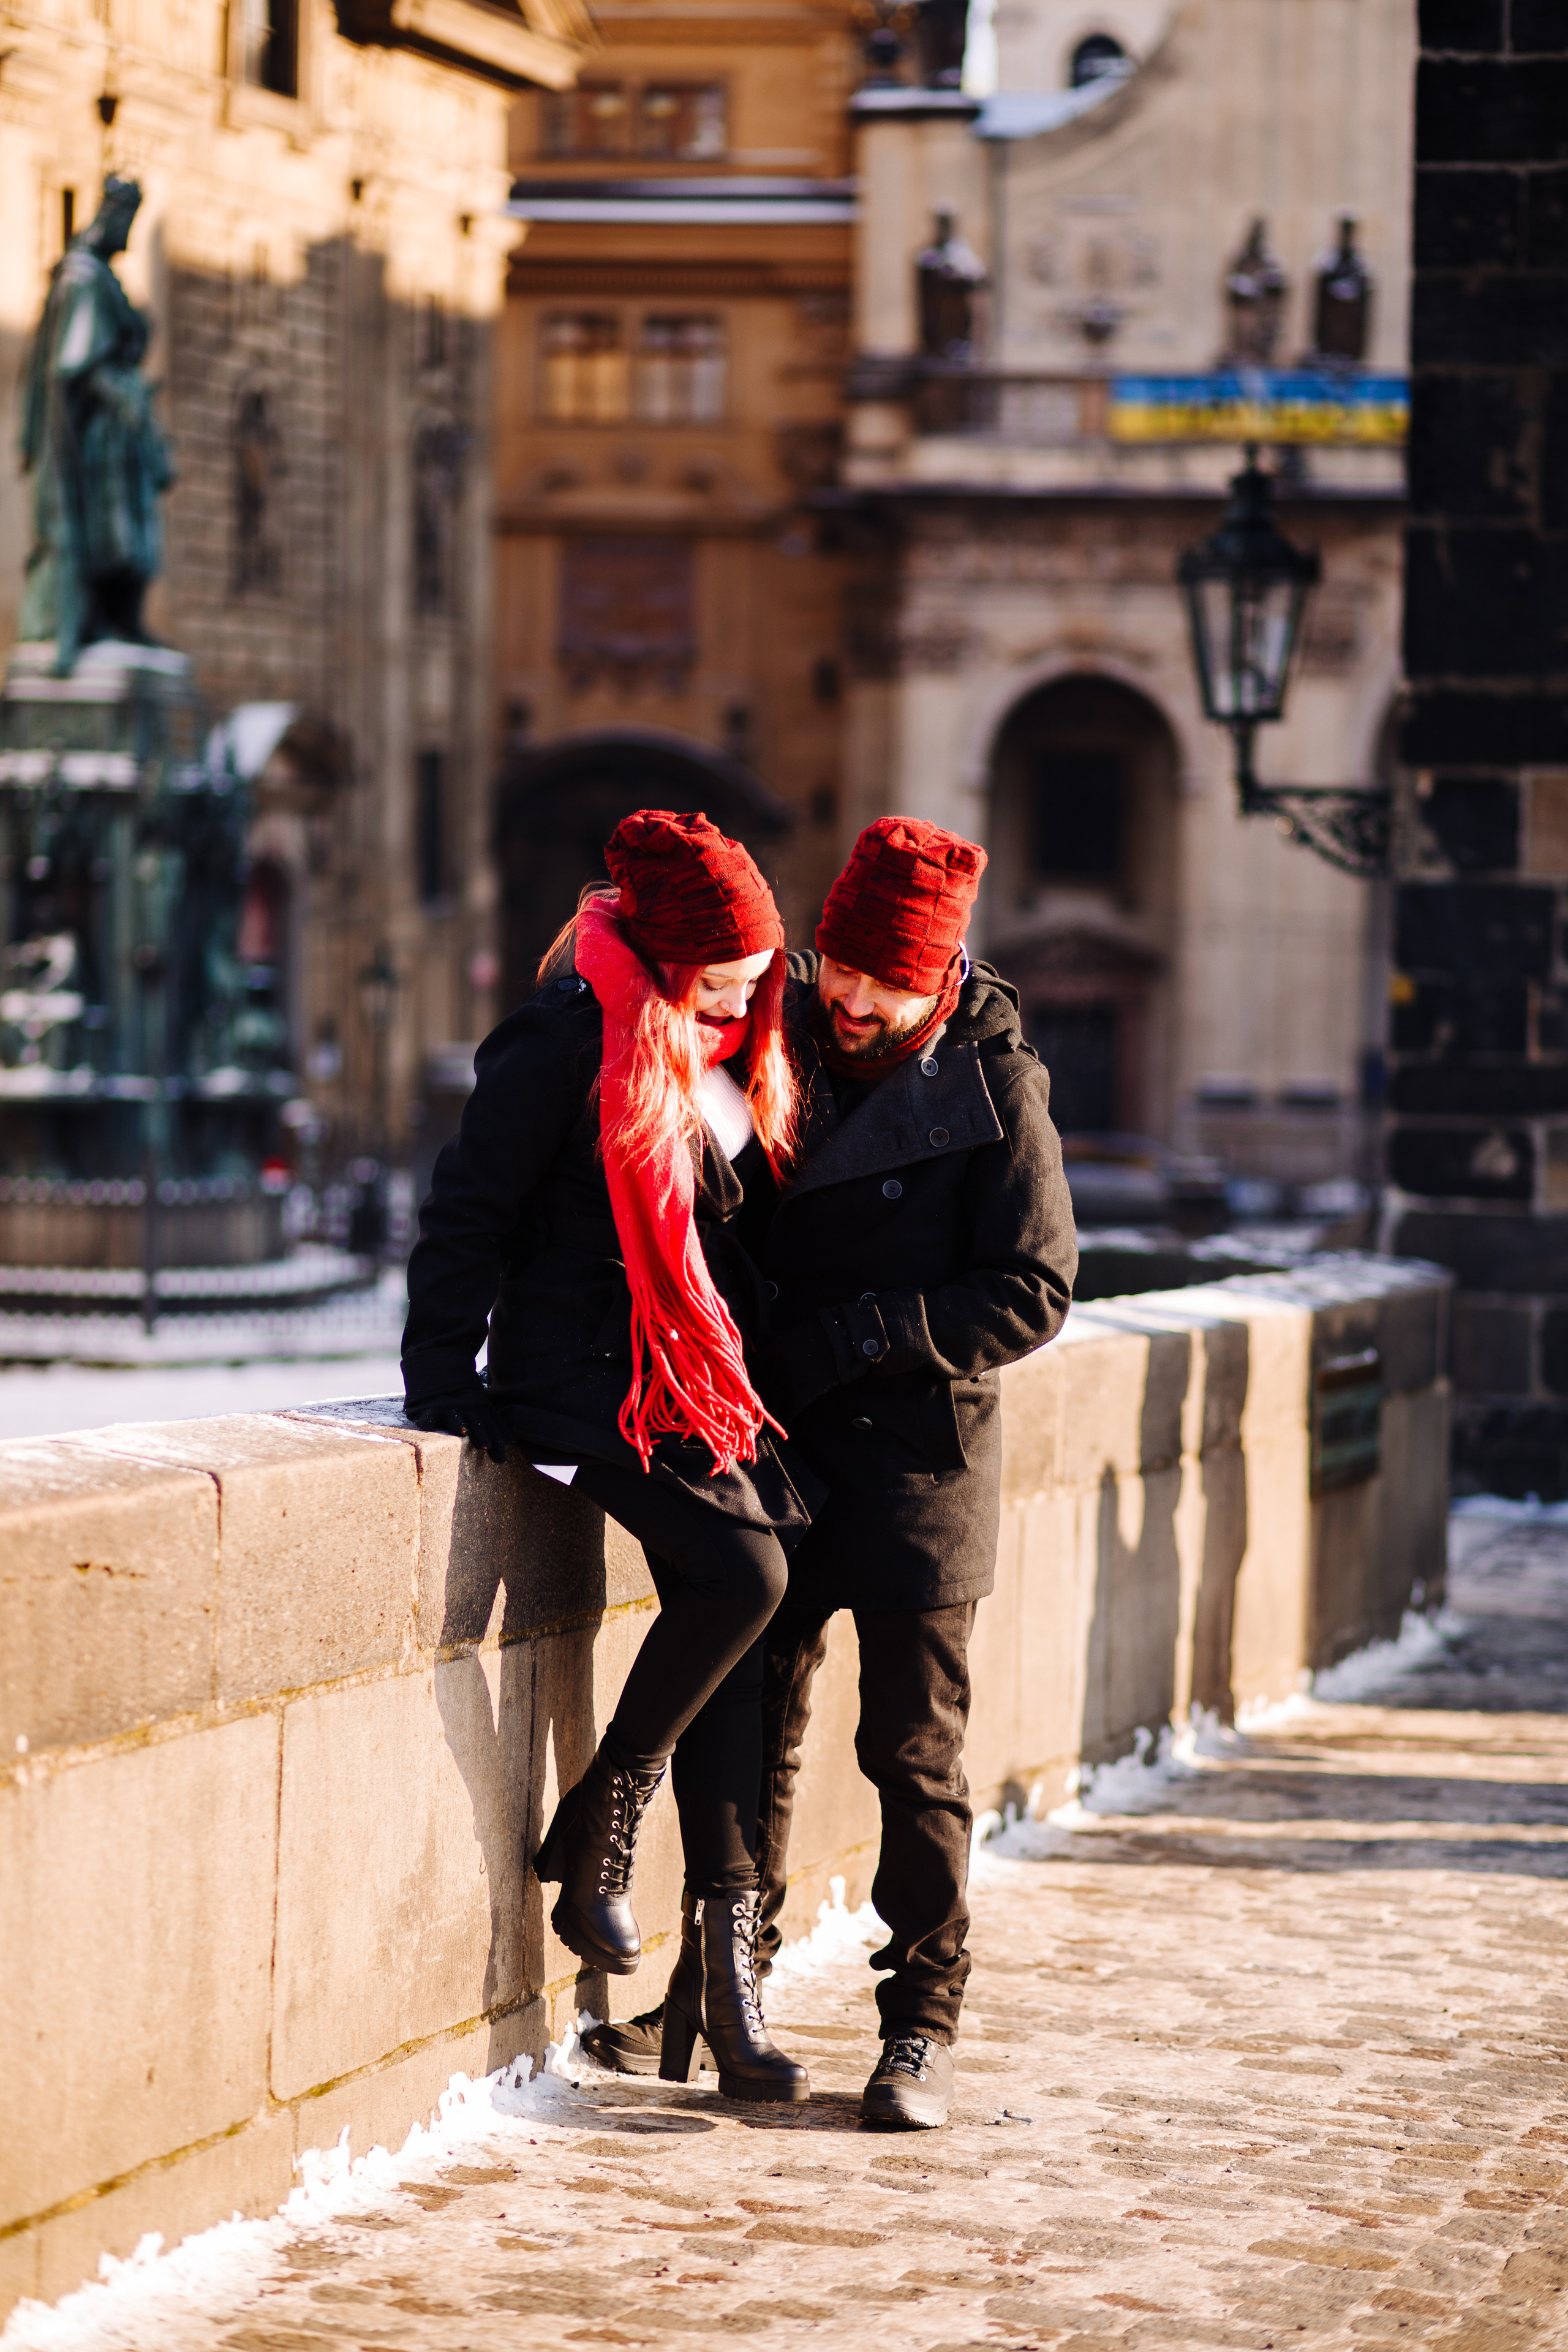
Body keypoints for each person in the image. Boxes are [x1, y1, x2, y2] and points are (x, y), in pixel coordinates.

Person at [586, 815, 1077, 2128]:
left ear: (940, 976)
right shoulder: (785, 1029)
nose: (850, 1000)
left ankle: (919, 2025)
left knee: (911, 1759)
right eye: (838, 968)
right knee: (755, 1740)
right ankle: (711, 1993)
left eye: (884, 984)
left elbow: (1034, 1287)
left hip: (919, 1459)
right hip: (785, 1452)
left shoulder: (995, 1082)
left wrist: (862, 1337)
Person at [401, 809, 814, 2105]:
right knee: (743, 1582)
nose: (758, 994)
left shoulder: (717, 1041)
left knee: (752, 1612)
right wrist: (438, 1382)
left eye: (762, 969)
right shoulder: (568, 1036)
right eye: (733, 973)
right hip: (578, 1372)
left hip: (679, 1377)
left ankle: (708, 1956)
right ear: (674, 955)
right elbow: (466, 1208)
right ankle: (602, 1818)